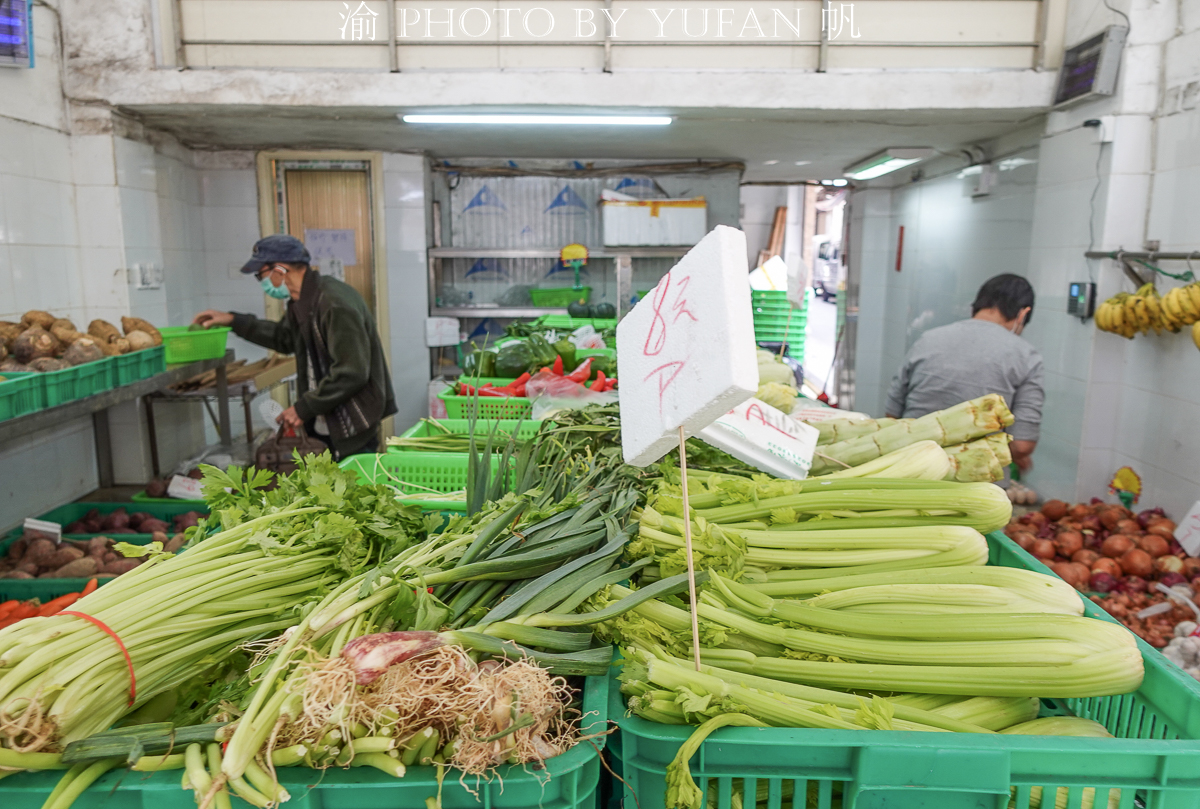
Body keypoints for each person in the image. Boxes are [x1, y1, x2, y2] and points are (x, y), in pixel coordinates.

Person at [193, 234, 396, 459]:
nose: (262, 283)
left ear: (279, 270)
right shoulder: (302, 301)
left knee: (352, 485)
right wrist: (233, 320)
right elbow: (284, 338)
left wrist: (303, 408)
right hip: (326, 416)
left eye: (261, 275)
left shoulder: (334, 303)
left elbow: (352, 372)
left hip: (352, 418)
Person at [885, 274, 1044, 471]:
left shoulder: (928, 339)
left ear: (976, 305)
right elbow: (1022, 445)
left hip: (908, 469)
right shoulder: (1026, 356)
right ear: (1023, 314)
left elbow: (892, 414)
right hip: (975, 482)